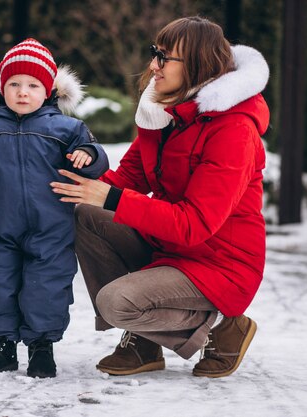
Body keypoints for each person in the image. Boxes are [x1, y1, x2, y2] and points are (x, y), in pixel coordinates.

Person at [50, 16, 270, 378]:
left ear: (199, 64)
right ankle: (146, 342)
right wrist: (63, 177)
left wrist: (111, 198)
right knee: (86, 215)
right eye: (155, 53)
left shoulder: (234, 130)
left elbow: (194, 224)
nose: (153, 65)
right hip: (171, 249)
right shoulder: (165, 117)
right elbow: (125, 181)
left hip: (221, 264)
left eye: (165, 58)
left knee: (114, 303)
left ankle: (224, 328)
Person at [0, 38, 109, 378]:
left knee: (47, 287)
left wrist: (88, 156)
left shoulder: (67, 130)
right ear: (2, 89)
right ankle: (0, 345)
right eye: (14, 84)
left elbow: (95, 157)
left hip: (51, 229)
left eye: (33, 85)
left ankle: (41, 346)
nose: (22, 92)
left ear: (49, 91)